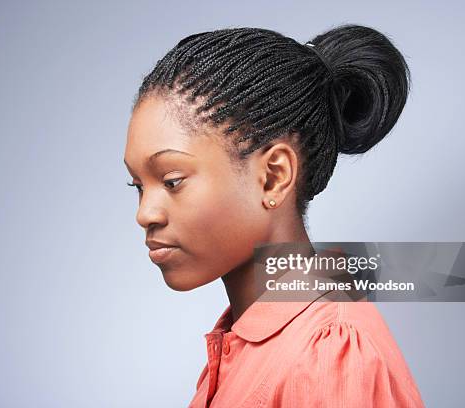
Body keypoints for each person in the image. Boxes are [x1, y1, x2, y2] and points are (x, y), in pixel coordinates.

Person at [123, 23, 425, 407]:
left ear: (273, 177)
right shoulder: (248, 343)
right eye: (138, 186)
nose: (145, 213)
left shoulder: (327, 357)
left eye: (172, 180)